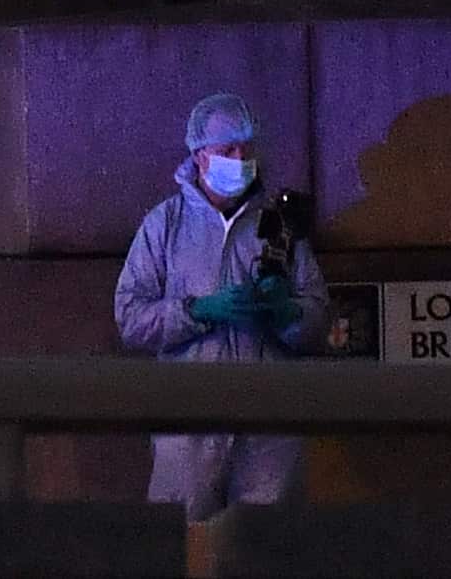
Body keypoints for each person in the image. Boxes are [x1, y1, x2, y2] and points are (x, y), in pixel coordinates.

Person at [114, 93, 329, 521]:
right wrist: (197, 311)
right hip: (189, 422)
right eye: (227, 149)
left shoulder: (278, 225)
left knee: (265, 548)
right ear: (199, 156)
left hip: (270, 424)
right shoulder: (165, 225)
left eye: (247, 147)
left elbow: (318, 320)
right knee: (183, 544)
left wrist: (287, 313)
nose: (240, 157)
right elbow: (131, 318)